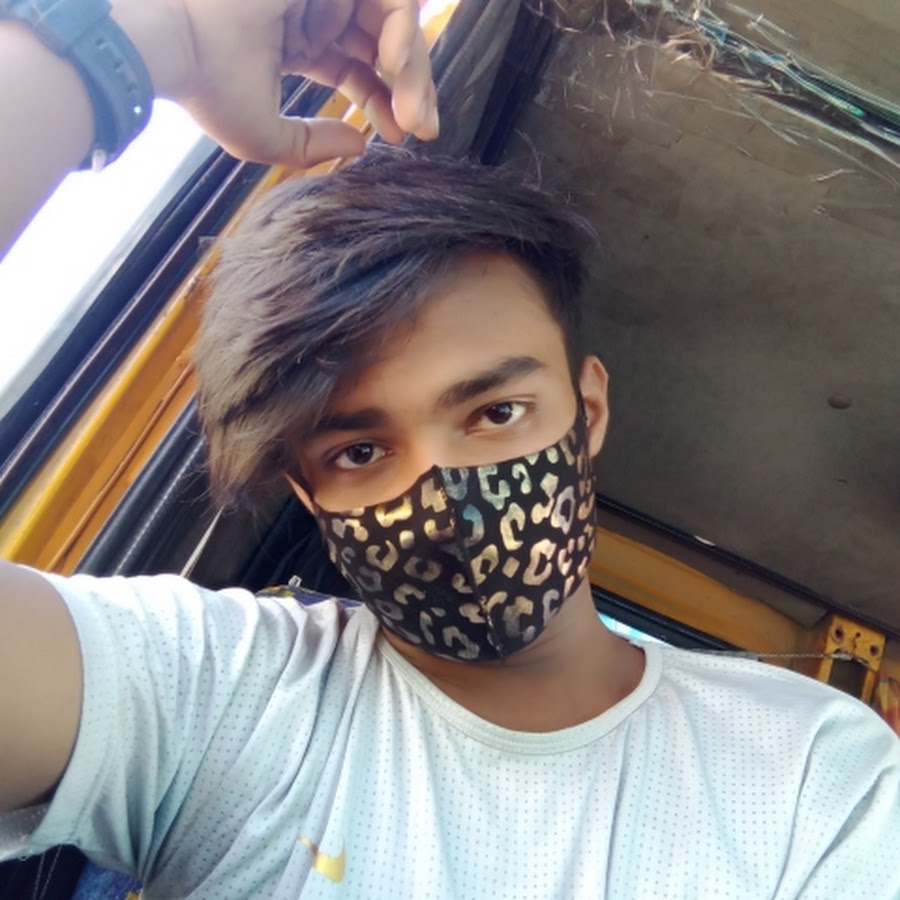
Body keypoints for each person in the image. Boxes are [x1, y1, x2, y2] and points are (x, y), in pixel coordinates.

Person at [0, 1, 898, 898]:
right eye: (360, 453)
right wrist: (144, 40)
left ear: (587, 413)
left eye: (496, 413)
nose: (448, 498)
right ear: (309, 496)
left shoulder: (811, 772)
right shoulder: (225, 694)